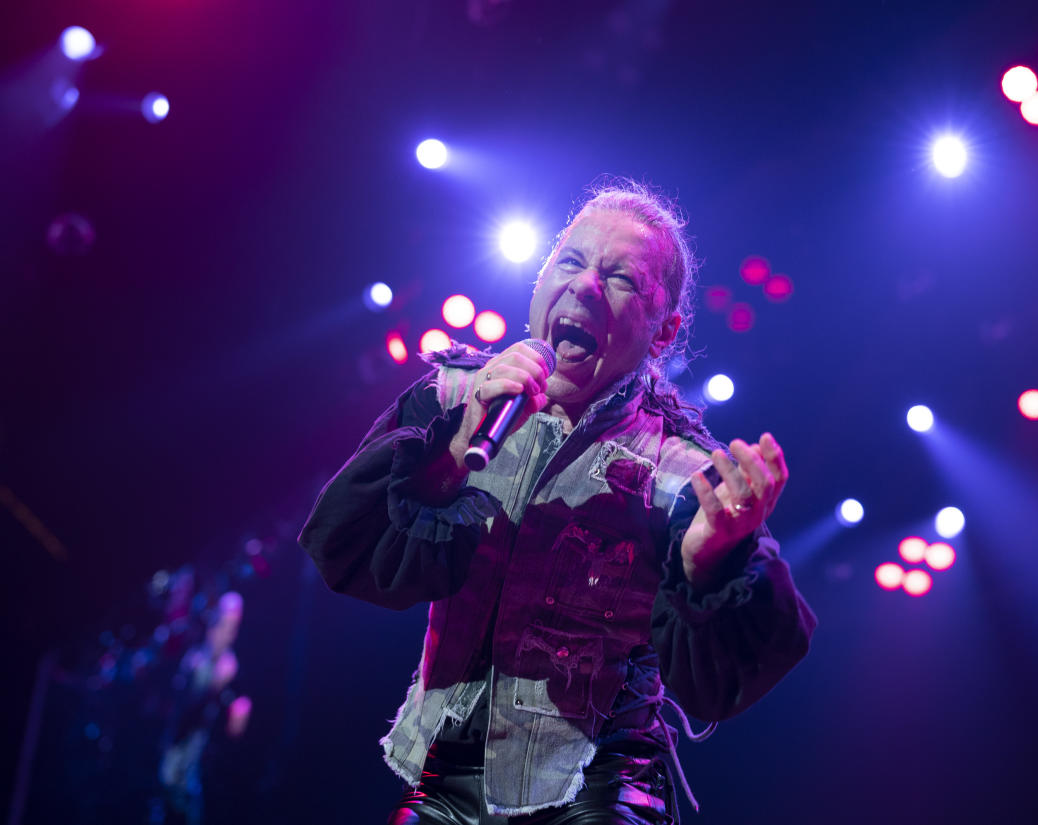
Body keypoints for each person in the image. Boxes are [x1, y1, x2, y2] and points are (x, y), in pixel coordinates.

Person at [298, 180, 816, 824]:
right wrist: (456, 450)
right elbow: (349, 555)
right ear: (539, 283)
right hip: (443, 775)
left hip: (596, 783)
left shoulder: (685, 470)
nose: (585, 286)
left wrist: (711, 563)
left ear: (664, 331)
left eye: (621, 277)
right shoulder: (455, 400)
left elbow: (727, 678)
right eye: (570, 262)